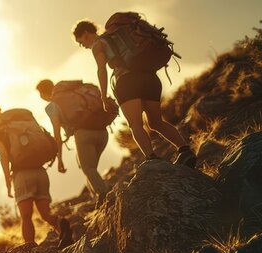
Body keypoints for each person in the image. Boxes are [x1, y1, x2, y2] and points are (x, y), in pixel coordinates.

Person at [73, 20, 197, 167]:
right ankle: (185, 150)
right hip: (150, 78)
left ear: (85, 34)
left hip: (127, 82)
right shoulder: (120, 35)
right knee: (156, 122)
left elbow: (101, 70)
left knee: (135, 124)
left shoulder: (98, 45)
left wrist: (104, 97)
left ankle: (152, 160)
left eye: (80, 42)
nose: (83, 46)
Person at [0, 105, 72, 248]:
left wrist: (8, 182)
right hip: (41, 172)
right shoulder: (23, 124)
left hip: (22, 175)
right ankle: (61, 225)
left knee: (26, 216)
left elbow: (4, 157)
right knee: (46, 214)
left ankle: (30, 249)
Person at [36, 79, 109, 204]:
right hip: (103, 132)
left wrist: (60, 159)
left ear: (42, 94)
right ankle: (97, 200)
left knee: (88, 168)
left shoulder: (51, 106)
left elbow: (57, 135)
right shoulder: (74, 95)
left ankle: (105, 196)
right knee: (90, 169)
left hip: (83, 135)